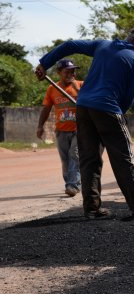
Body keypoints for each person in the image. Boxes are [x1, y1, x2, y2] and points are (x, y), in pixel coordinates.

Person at [34, 26, 134, 219]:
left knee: (89, 159)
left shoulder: (103, 45)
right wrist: (118, 117)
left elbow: (70, 45)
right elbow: (129, 96)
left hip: (83, 107)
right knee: (124, 157)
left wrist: (45, 63)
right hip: (108, 107)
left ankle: (92, 208)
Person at [36, 58, 82, 197]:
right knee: (65, 159)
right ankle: (70, 183)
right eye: (67, 71)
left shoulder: (81, 86)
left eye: (73, 71)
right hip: (61, 130)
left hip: (79, 129)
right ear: (58, 72)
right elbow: (46, 109)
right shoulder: (52, 88)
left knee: (75, 155)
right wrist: (40, 126)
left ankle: (72, 185)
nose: (71, 74)